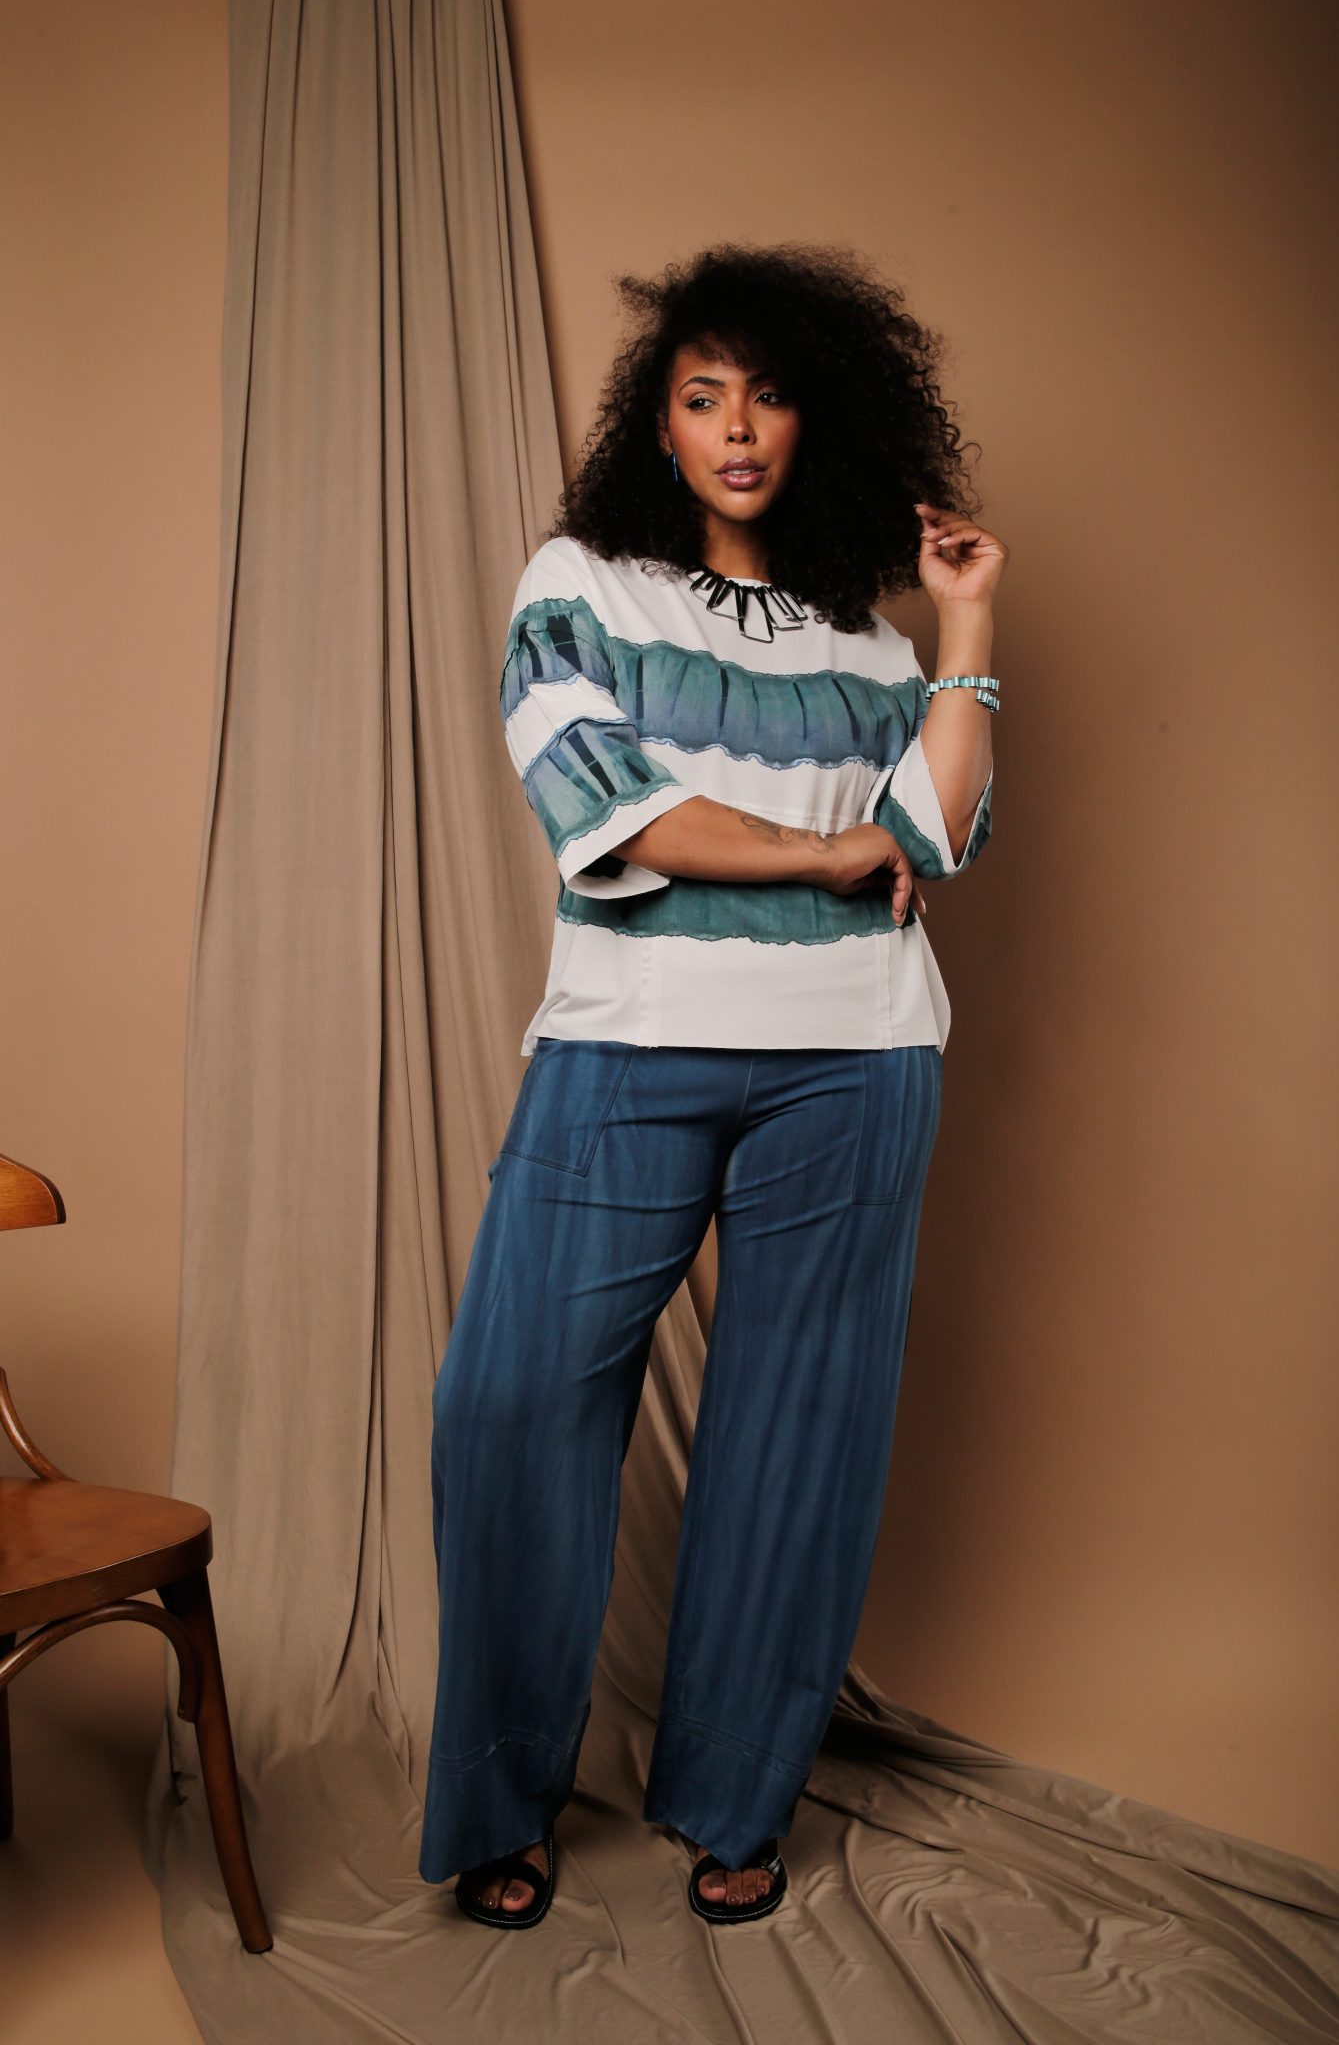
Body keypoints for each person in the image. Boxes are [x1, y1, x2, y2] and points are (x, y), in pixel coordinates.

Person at [419, 243, 1006, 1928]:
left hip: (859, 1057)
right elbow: (605, 805)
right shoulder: (582, 583)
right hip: (631, 1038)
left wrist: (967, 620)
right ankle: (501, 1799)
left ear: (819, 420)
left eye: (767, 395)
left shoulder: (870, 643)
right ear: (658, 426)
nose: (737, 427)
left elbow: (938, 833)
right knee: (511, 1405)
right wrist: (824, 852)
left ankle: (737, 1796)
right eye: (701, 397)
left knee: (797, 1432)